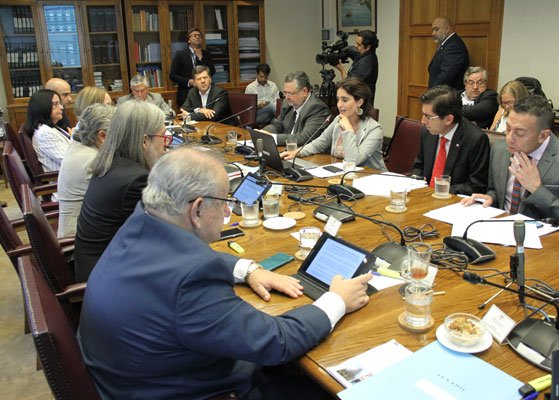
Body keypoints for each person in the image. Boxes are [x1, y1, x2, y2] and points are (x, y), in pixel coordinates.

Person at [77, 146, 372, 399]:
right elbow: (276, 342)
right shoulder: (192, 278)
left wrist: (248, 269)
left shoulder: (141, 220)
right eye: (225, 203)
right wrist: (337, 300)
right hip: (179, 389)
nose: (227, 214)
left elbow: (179, 258)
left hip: (126, 377)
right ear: (198, 209)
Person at [462, 95, 559, 236]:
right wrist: (490, 199)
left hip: (543, 241)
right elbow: (495, 191)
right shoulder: (500, 149)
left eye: (519, 133)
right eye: (508, 128)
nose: (509, 138)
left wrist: (536, 189)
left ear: (543, 136)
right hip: (498, 230)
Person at [74, 101, 168, 282]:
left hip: (96, 265)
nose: (165, 146)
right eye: (163, 137)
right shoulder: (135, 180)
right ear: (144, 141)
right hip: (108, 279)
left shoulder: (111, 163)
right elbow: (164, 238)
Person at [281, 78, 386, 171]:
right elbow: (320, 143)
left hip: (370, 180)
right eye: (338, 99)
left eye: (345, 100)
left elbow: (353, 161)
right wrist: (298, 152)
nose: (339, 105)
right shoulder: (338, 119)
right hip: (342, 175)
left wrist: (348, 130)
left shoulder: (374, 129)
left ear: (359, 102)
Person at [412, 85, 490, 195]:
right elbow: (419, 166)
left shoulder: (475, 139)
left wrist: (440, 190)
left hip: (453, 202)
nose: (423, 121)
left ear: (449, 119)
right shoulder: (428, 131)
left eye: (428, 117)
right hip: (423, 196)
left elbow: (476, 186)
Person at [57, 104, 116, 238]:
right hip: (77, 239)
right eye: (118, 134)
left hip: (79, 228)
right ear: (102, 136)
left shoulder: (78, 145)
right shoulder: (92, 160)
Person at [262, 71, 331, 146]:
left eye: (291, 93)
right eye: (285, 92)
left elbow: (304, 138)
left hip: (309, 155)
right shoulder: (287, 104)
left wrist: (273, 138)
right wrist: (262, 133)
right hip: (287, 150)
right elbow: (277, 125)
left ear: (304, 91)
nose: (287, 97)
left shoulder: (317, 109)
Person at [23, 89, 70, 172]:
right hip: (62, 179)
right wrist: (75, 140)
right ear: (43, 107)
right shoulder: (44, 133)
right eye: (55, 104)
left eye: (60, 103)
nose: (61, 107)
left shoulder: (51, 127)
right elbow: (69, 161)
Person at [169, 28, 216, 108]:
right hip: (186, 94)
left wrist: (200, 58)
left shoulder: (206, 54)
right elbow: (172, 75)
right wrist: (188, 81)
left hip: (205, 94)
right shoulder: (181, 54)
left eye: (199, 36)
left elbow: (212, 71)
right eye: (194, 35)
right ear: (188, 40)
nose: (197, 37)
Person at [334, 30, 379, 100]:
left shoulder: (366, 64)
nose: (356, 46)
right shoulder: (366, 54)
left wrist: (341, 69)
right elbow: (353, 52)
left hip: (360, 105)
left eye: (359, 45)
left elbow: (348, 85)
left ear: (368, 47)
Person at [428, 17, 470, 90]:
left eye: (436, 29)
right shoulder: (447, 44)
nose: (433, 33)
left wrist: (431, 94)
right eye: (433, 30)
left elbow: (446, 76)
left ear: (447, 29)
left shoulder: (454, 46)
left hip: (447, 97)